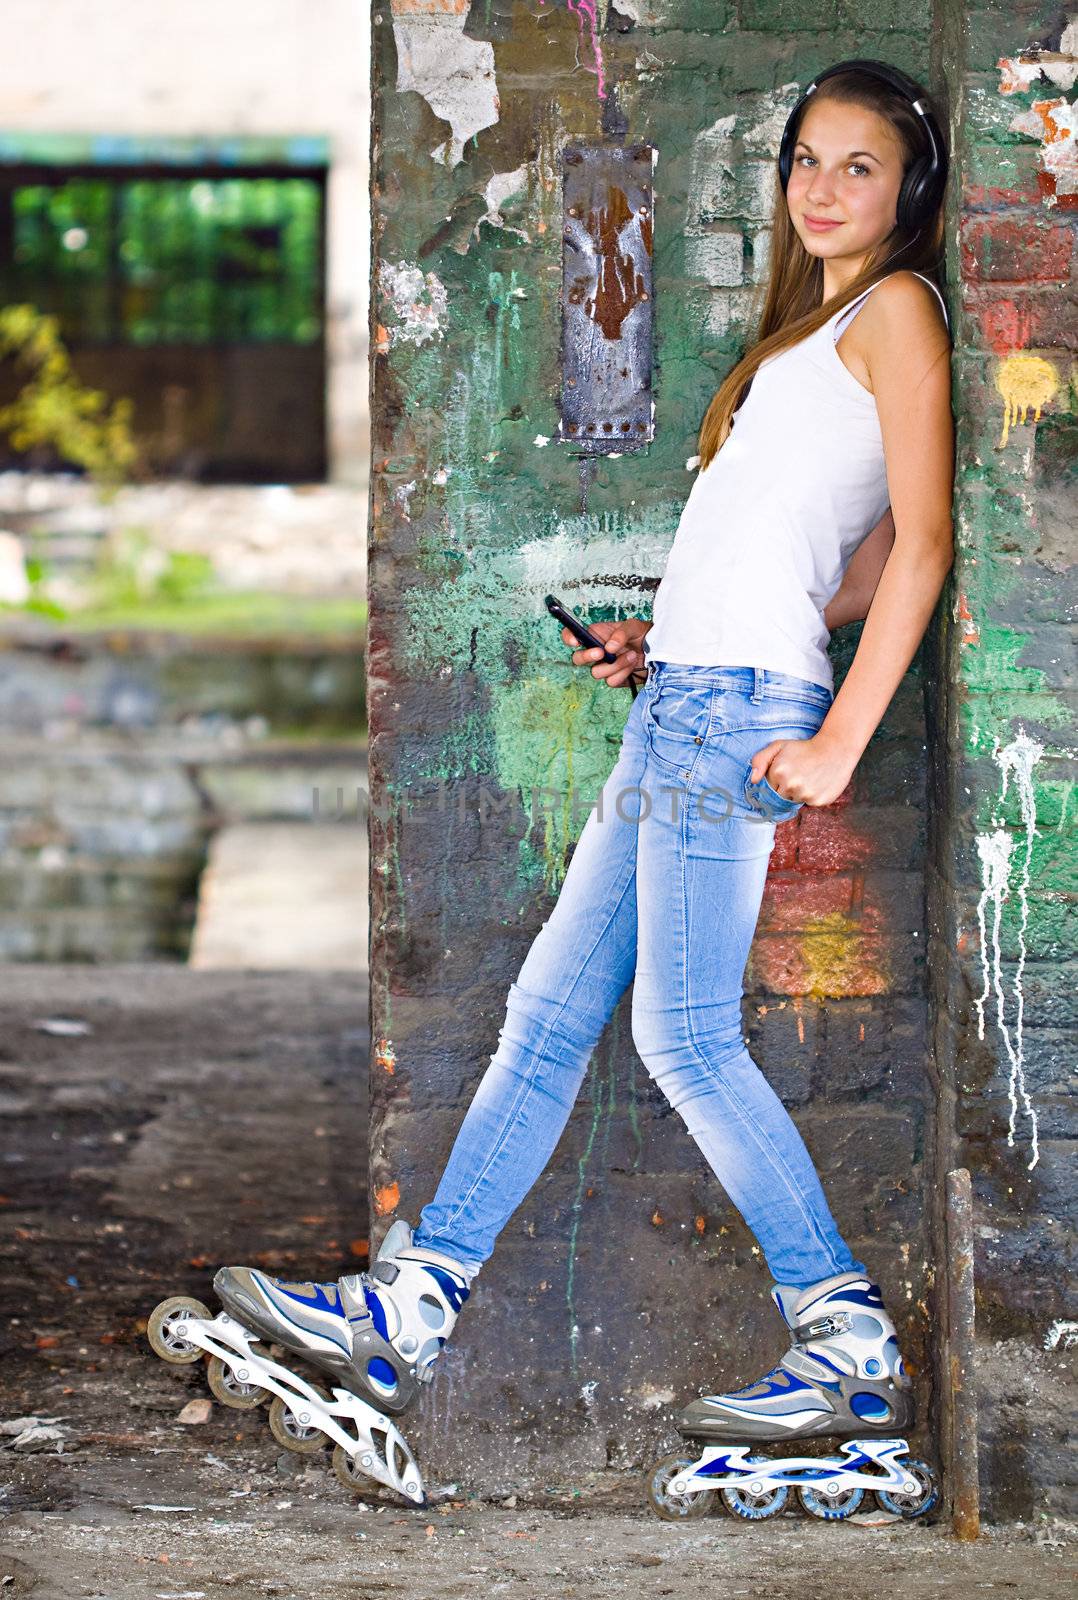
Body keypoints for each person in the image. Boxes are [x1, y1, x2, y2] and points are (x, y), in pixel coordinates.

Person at [213, 60, 955, 1460]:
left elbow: (921, 542)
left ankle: (844, 1333)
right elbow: (829, 573)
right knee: (547, 1014)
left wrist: (842, 735)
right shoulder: (808, 335)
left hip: (739, 714)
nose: (821, 187)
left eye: (857, 166)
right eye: (806, 158)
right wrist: (657, 639)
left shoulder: (898, 313)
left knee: (681, 1037)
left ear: (909, 187)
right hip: (689, 694)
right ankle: (411, 1306)